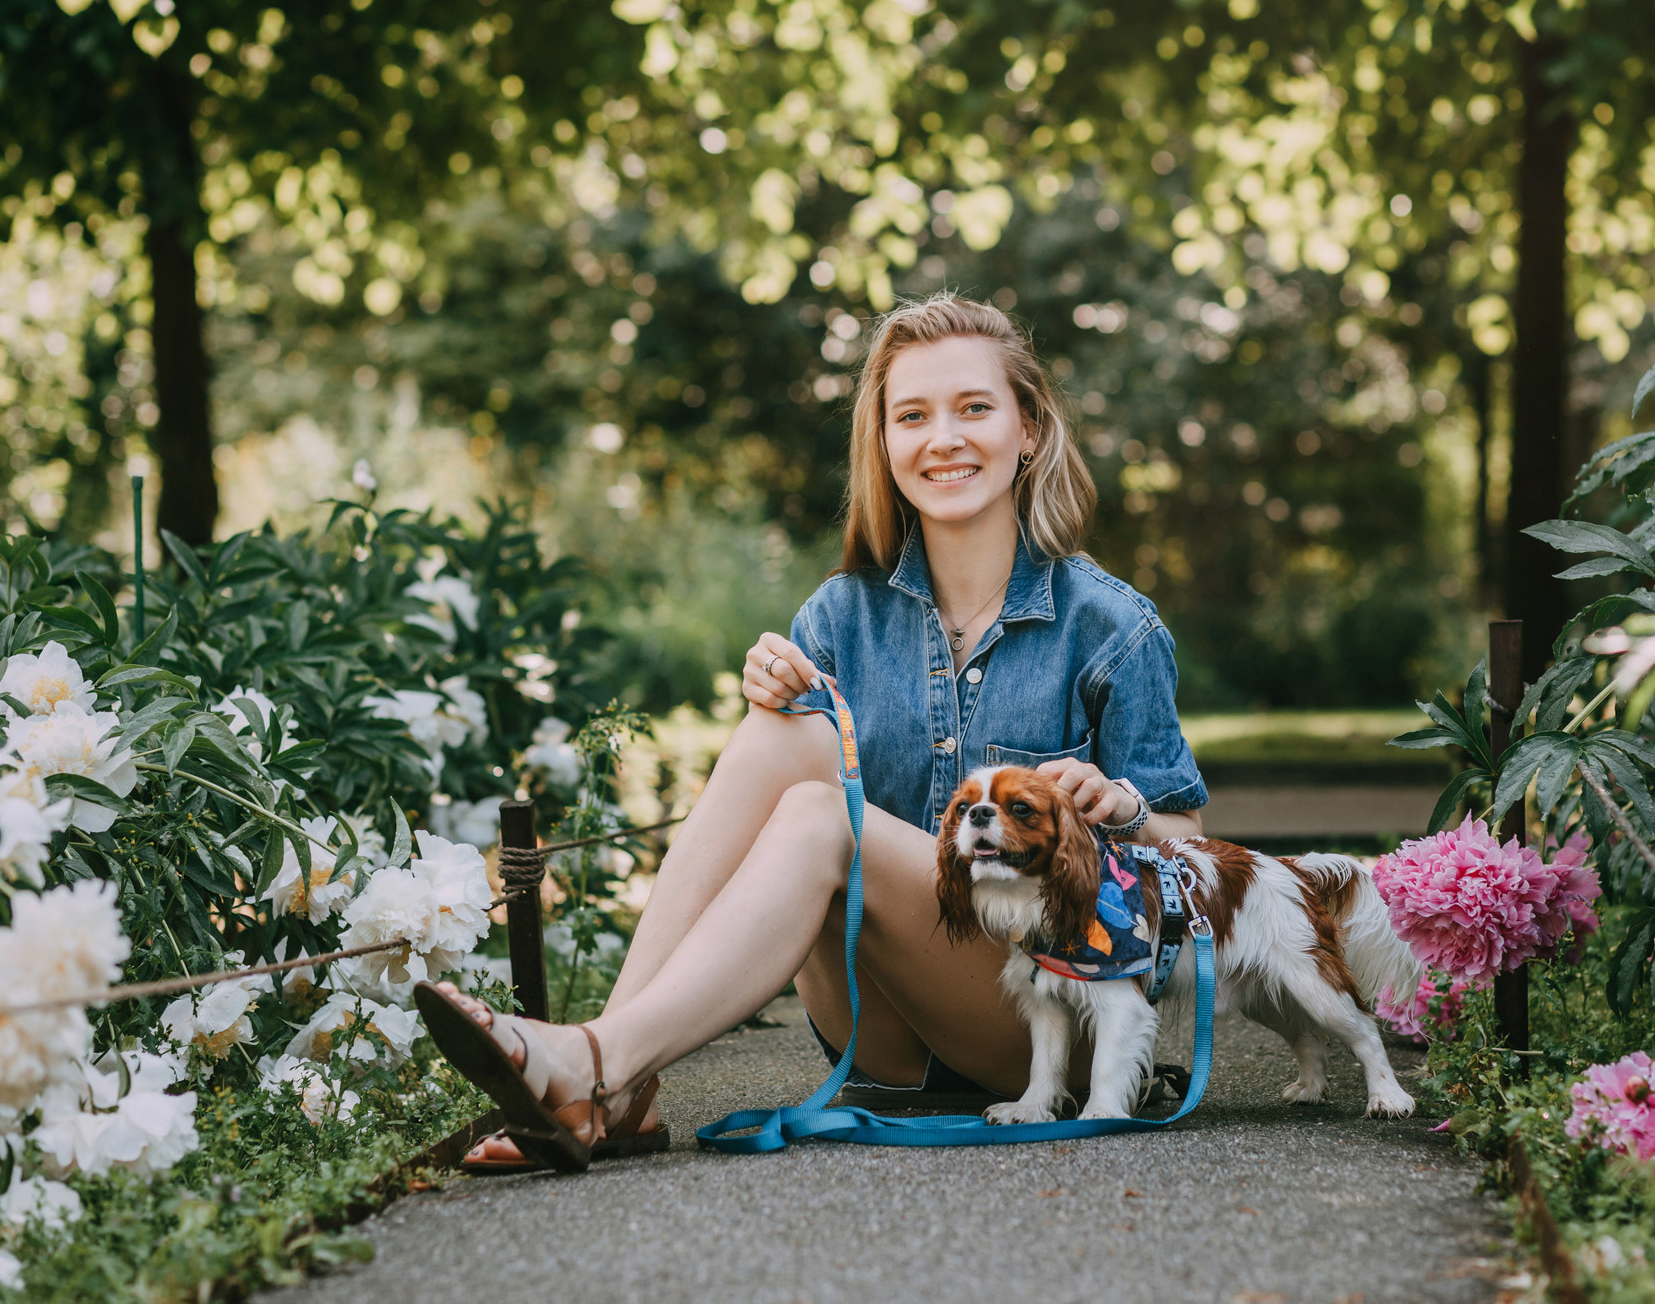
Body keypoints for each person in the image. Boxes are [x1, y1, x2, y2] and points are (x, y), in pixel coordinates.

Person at [419, 292, 1209, 1172]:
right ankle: (618, 1082)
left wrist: (1124, 807)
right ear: (884, 442)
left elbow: (1189, 852)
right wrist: (772, 697)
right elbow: (765, 798)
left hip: (1044, 1017)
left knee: (818, 815)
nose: (942, 437)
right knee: (785, 738)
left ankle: (595, 1066)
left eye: (974, 408)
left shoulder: (1112, 627)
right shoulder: (839, 615)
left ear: (1028, 428)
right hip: (879, 1021)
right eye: (912, 415)